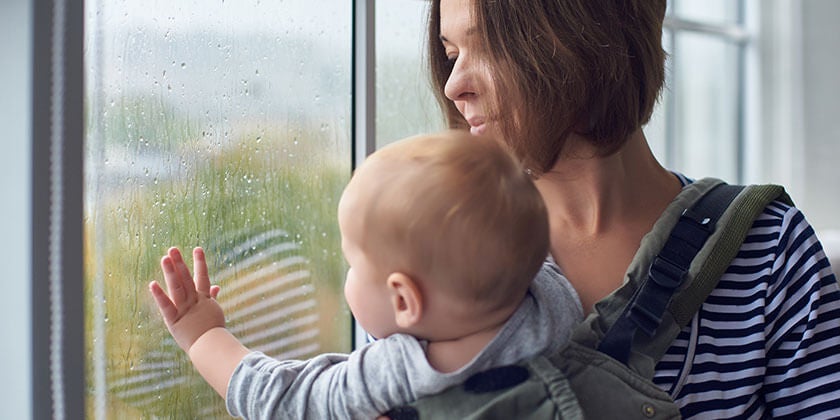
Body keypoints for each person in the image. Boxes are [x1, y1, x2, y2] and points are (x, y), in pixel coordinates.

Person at [426, 0, 840, 417]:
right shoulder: (433, 254)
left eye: (491, 47)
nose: (453, 85)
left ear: (587, 38)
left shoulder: (770, 249)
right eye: (452, 55)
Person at [148, 130, 583, 419]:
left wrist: (202, 336)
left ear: (403, 301)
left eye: (354, 263)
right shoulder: (551, 303)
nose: (347, 275)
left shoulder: (400, 371)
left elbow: (283, 401)